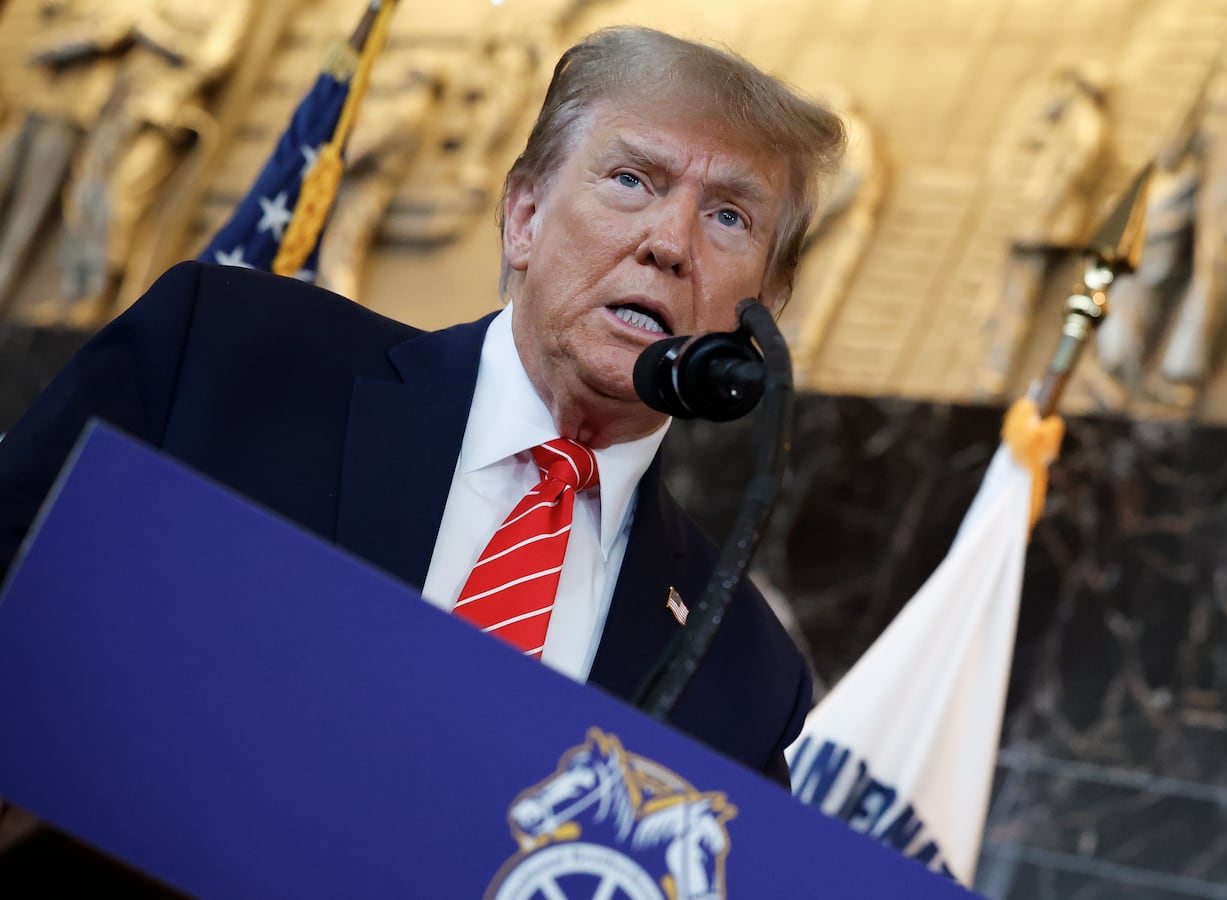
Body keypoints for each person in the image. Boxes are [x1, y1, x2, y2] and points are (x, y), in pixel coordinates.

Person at [0, 26, 846, 791]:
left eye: (729, 215)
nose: (669, 243)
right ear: (523, 216)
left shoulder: (744, 670)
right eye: (631, 178)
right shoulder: (225, 359)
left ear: (763, 307)